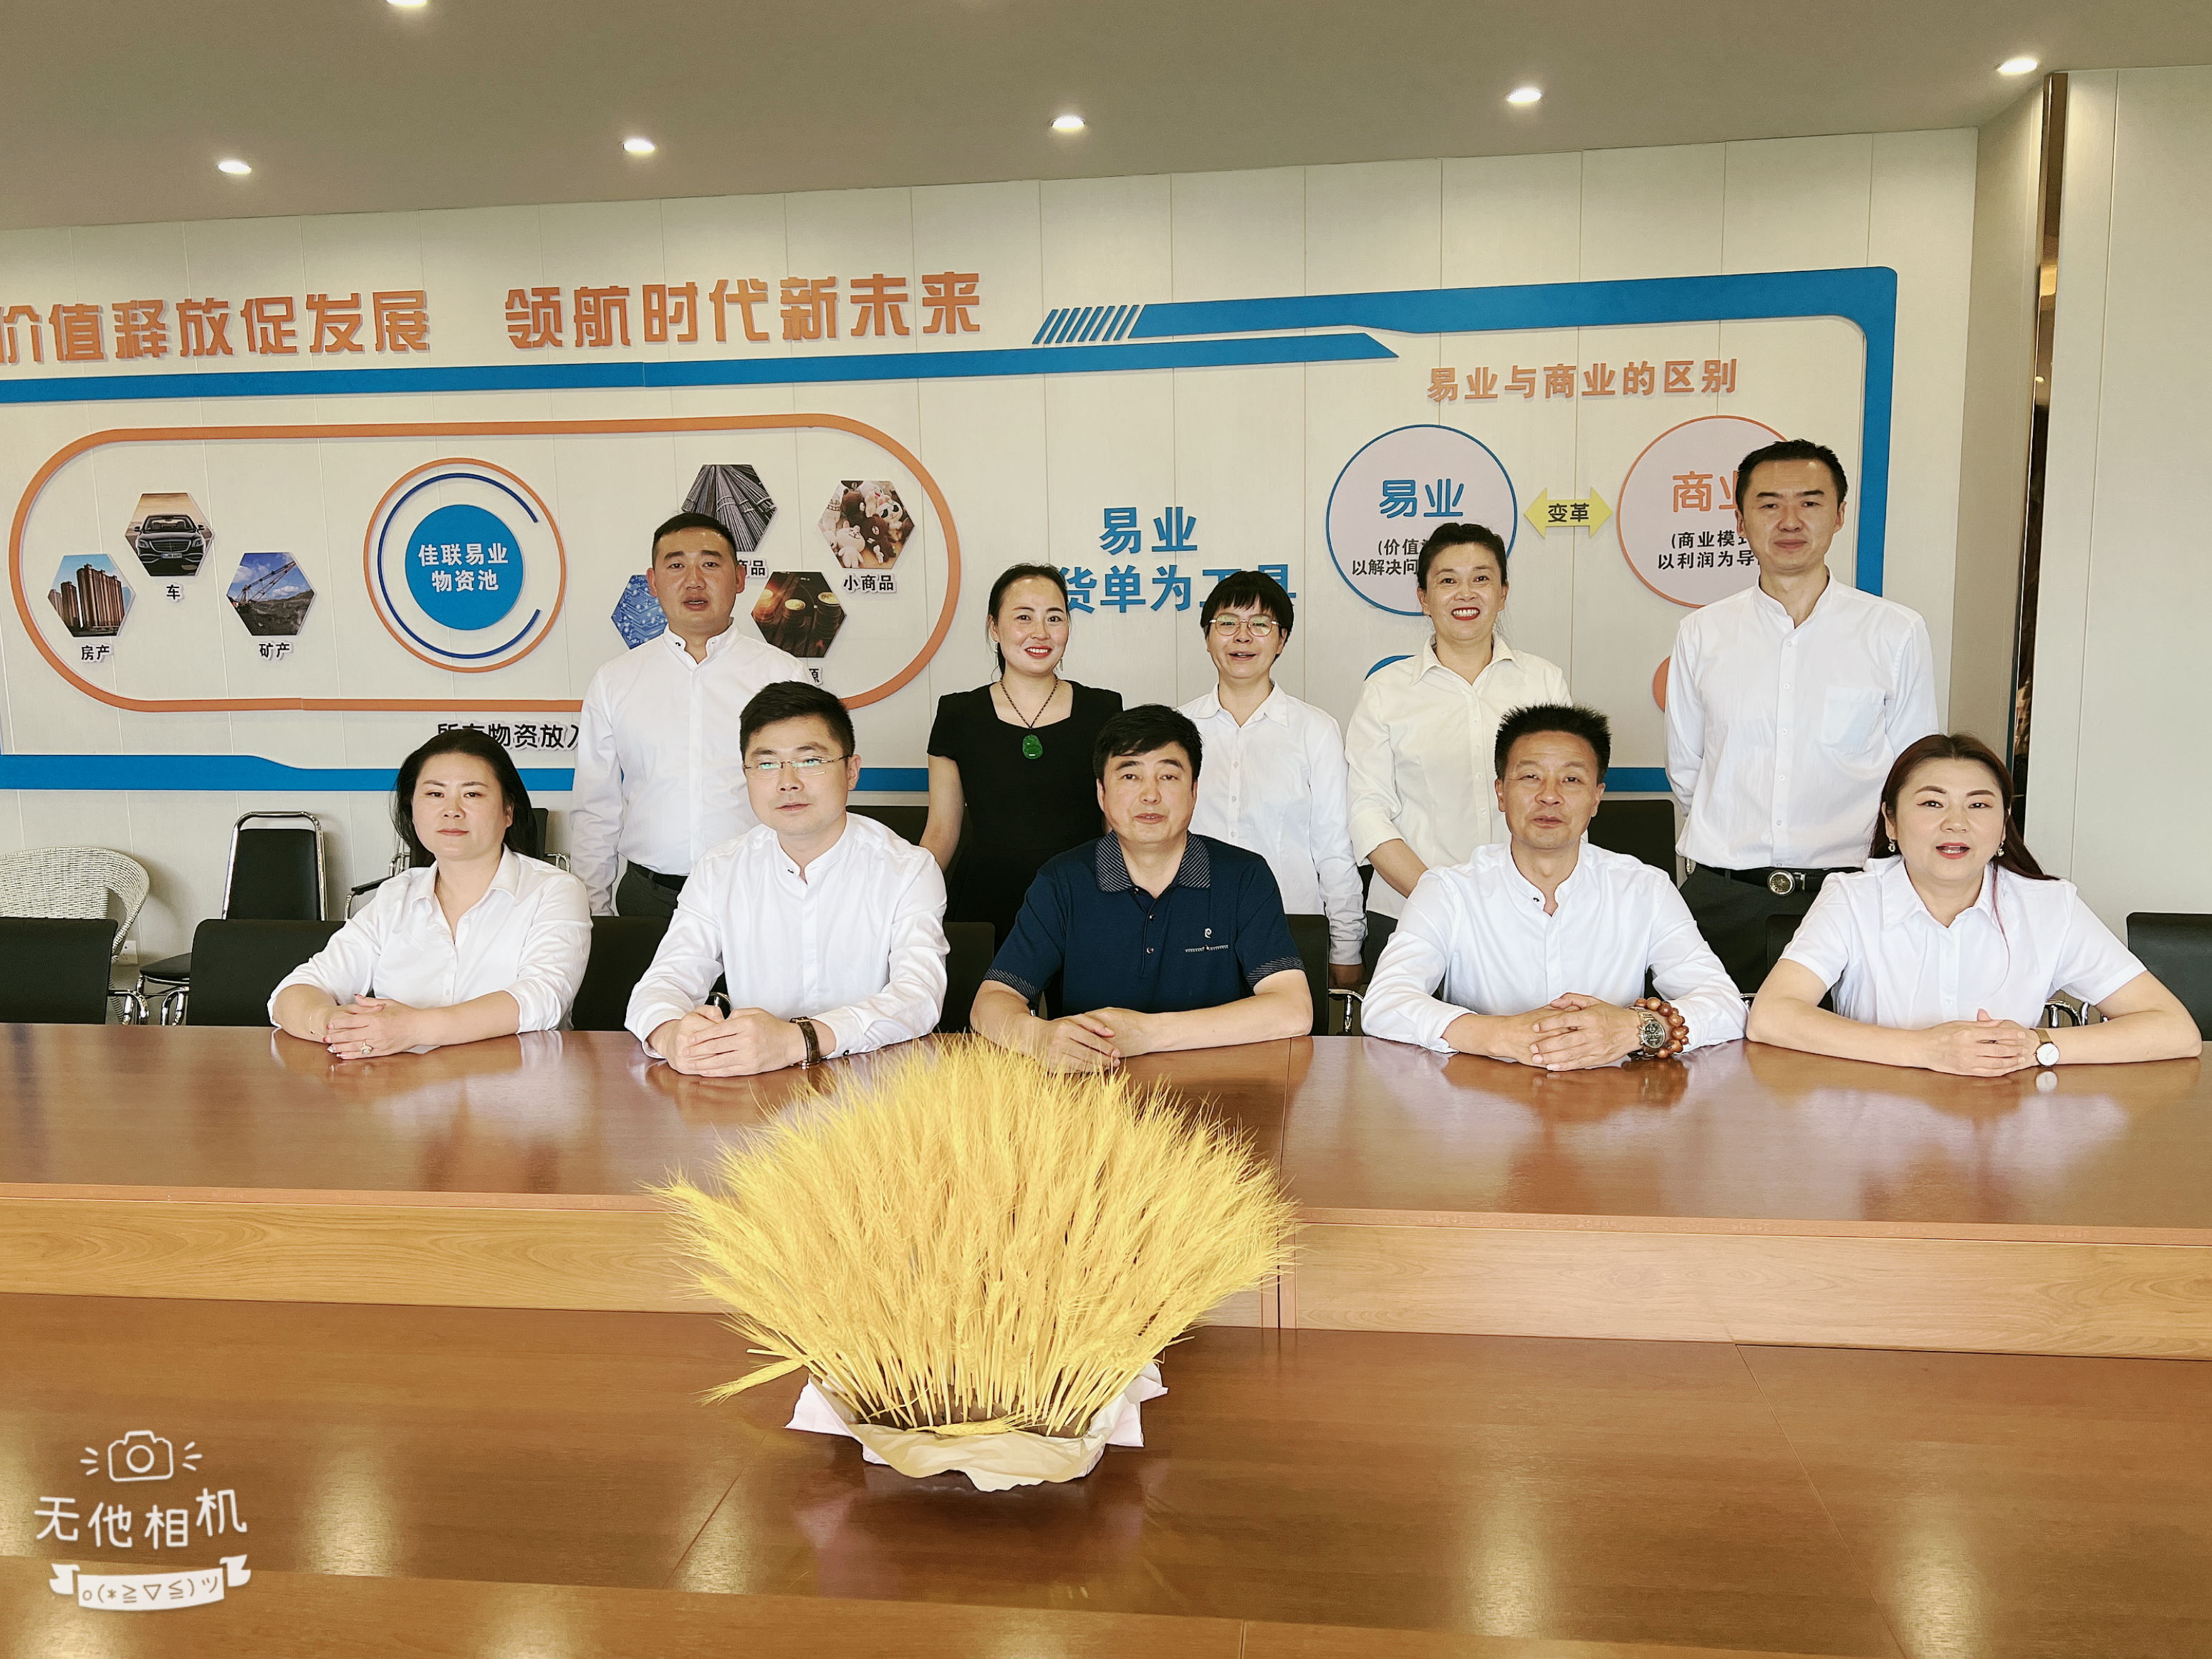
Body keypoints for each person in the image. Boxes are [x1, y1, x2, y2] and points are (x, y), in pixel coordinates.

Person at [1748, 734, 2197, 1073]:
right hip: (1876, 1126)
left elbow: (2175, 1029)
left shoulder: (2050, 907)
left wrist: (2037, 1046)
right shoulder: (1852, 899)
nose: (1956, 823)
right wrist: (1927, 1049)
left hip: (2004, 1131)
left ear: (2003, 825)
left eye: (1979, 805)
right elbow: (1771, 1016)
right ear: (1891, 821)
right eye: (1932, 803)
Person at [1667, 438, 1940, 991]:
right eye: (1769, 504)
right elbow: (1687, 769)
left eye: (1810, 503)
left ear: (1839, 515)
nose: (1789, 521)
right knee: (1710, 1043)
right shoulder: (1702, 633)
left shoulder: (1894, 632)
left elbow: (1917, 773)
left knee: (1851, 1045)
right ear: (1740, 520)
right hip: (1724, 899)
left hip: (1852, 898)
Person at [1364, 704, 1743, 1067]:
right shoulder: (1448, 890)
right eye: (1530, 777)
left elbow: (1725, 1005)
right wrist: (1500, 1034)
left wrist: (1634, 1028)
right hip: (1483, 1097)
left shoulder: (1646, 889)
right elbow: (1385, 1002)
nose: (1549, 795)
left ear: (1596, 798)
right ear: (1501, 792)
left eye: (1572, 779)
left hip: (1613, 1099)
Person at [626, 682, 948, 1077]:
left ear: (851, 771)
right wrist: (672, 1034)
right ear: (746, 775)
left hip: (875, 1084)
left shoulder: (909, 869)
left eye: (810, 760)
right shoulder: (720, 869)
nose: (788, 782)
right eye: (766, 764)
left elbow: (919, 997)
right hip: (752, 1086)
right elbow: (664, 982)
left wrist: (798, 1040)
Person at [971, 705, 1311, 1069]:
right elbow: (991, 1001)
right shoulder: (1062, 881)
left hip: (1221, 1088)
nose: (1150, 795)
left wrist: (1149, 1034)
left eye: (1168, 776)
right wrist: (1038, 1037)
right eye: (1130, 776)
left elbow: (1293, 1009)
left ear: (1194, 791)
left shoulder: (1243, 876)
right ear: (1102, 793)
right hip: (1091, 1088)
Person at [272, 730, 590, 1057]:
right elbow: (293, 992)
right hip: (403, 1082)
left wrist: (411, 1029)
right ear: (412, 809)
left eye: (472, 794)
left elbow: (543, 999)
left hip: (520, 1081)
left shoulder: (554, 890)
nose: (452, 810)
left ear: (508, 811)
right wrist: (332, 1023)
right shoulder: (396, 896)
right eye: (435, 794)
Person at [1345, 523, 1568, 973]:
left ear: (1503, 593)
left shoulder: (1543, 682)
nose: (1465, 593)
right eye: (1448, 580)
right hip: (1411, 915)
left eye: (1481, 578)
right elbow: (1367, 814)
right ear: (1424, 598)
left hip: (1529, 914)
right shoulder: (1386, 691)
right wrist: (1440, 899)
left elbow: (1567, 798)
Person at [568, 511, 809, 919]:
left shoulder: (783, 675)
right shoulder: (615, 680)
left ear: (739, 578)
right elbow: (596, 807)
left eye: (710, 564)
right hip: (650, 899)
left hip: (760, 894)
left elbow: (808, 791)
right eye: (676, 565)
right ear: (653, 582)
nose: (694, 581)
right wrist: (594, 910)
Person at [1177, 569, 1364, 989]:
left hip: (1289, 929)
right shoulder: (1177, 729)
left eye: (1260, 624)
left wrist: (1346, 946)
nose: (1243, 636)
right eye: (1227, 623)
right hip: (1190, 930)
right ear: (1207, 637)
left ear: (1281, 641)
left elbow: (1334, 848)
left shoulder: (1315, 730)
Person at [921, 563, 1123, 946]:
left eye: (1054, 618)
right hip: (987, 899)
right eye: (1024, 617)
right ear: (995, 627)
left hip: (1083, 895)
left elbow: (1114, 823)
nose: (1041, 633)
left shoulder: (1104, 710)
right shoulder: (959, 714)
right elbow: (942, 831)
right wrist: (902, 901)